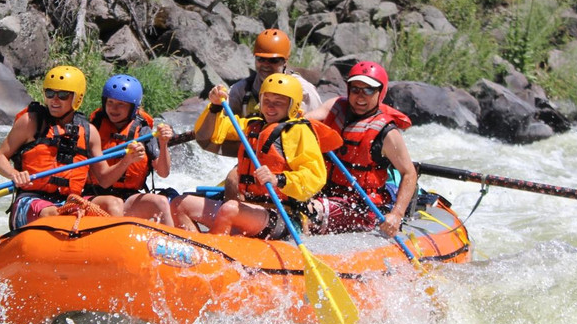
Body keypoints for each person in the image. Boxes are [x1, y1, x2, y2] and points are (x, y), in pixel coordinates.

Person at [172, 74, 327, 238]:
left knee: (230, 209)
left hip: (283, 217)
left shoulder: (299, 132)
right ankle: (193, 250)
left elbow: (315, 176)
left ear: (293, 105)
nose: (270, 107)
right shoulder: (252, 126)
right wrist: (215, 107)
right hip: (249, 210)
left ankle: (214, 252)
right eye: (266, 101)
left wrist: (279, 179)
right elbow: (212, 132)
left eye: (278, 103)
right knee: (181, 204)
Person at [0, 65, 139, 229]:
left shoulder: (89, 132)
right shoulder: (31, 122)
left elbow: (104, 179)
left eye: (62, 95)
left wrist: (128, 160)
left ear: (77, 98)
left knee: (114, 204)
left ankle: (112, 249)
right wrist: (14, 174)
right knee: (55, 213)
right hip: (31, 199)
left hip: (69, 201)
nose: (54, 100)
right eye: (50, 93)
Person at [304, 61, 417, 237]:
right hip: (325, 192)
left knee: (307, 212)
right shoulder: (335, 107)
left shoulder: (387, 133)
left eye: (369, 90)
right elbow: (305, 121)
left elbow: (409, 173)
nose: (360, 97)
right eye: (355, 89)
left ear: (381, 92)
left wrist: (397, 214)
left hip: (361, 206)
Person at [194, 27, 321, 155]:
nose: (266, 64)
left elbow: (316, 135)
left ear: (285, 61)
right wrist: (216, 105)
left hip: (294, 155)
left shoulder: (304, 91)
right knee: (232, 174)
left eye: (273, 60)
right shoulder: (241, 90)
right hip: (257, 152)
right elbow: (215, 130)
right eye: (261, 59)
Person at [84, 74, 176, 225]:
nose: (113, 108)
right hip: (94, 195)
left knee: (161, 202)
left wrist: (164, 143)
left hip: (128, 197)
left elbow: (163, 173)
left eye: (121, 104)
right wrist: (127, 160)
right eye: (110, 102)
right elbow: (104, 182)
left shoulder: (144, 132)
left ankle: (171, 245)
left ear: (133, 108)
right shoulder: (93, 129)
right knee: (114, 204)